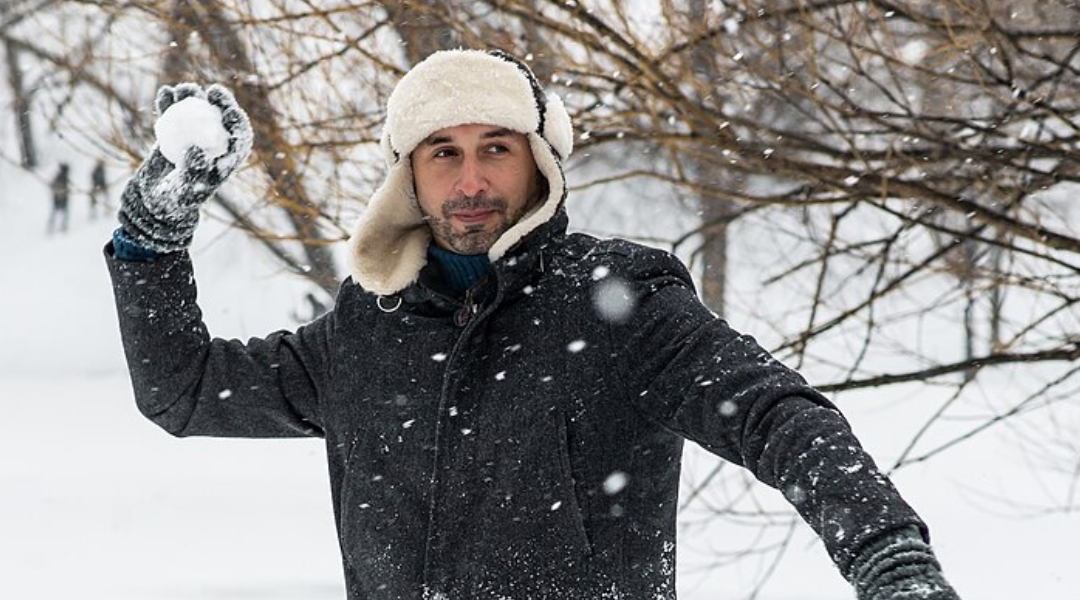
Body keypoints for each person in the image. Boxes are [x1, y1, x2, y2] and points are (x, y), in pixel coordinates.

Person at [105, 50, 961, 600]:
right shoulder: (370, 326)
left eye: (496, 147)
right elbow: (183, 392)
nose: (470, 177)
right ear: (411, 175)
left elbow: (777, 415)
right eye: (444, 151)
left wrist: (887, 556)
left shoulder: (619, 300)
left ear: (538, 162)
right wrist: (152, 236)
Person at [48, 162, 70, 233]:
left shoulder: (64, 177)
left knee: (61, 213)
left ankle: (63, 226)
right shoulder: (60, 177)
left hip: (63, 198)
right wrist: (59, 191)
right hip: (58, 198)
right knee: (55, 213)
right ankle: (52, 227)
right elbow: (53, 185)